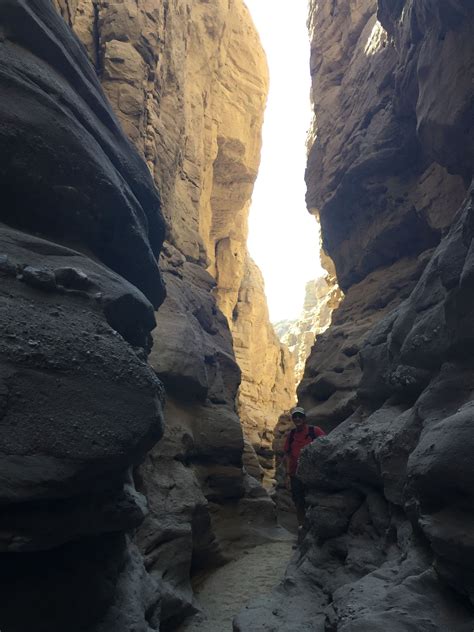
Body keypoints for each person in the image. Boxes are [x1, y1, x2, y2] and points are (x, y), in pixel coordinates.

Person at [283, 406, 325, 527]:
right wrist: (287, 474)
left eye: (300, 416)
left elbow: (326, 445)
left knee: (312, 500)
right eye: (295, 417)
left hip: (311, 474)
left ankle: (313, 529)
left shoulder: (314, 431)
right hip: (295, 475)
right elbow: (287, 454)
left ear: (304, 418)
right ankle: (302, 529)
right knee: (299, 502)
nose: (297, 418)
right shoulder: (291, 435)